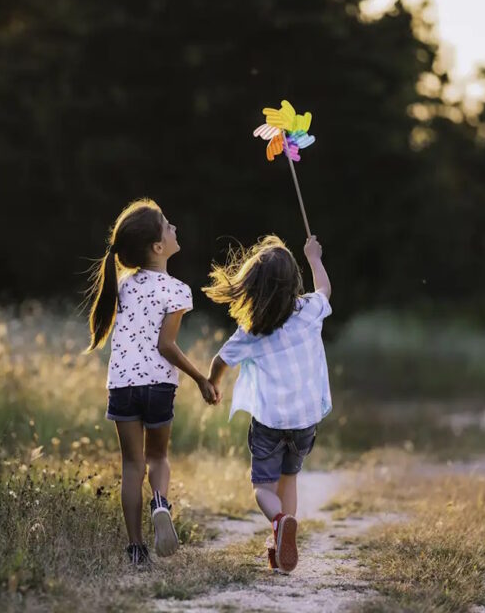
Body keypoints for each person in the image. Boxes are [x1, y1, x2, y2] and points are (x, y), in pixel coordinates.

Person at [86, 198, 217, 565]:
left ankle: (135, 548)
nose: (175, 229)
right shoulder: (177, 290)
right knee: (158, 456)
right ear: (159, 247)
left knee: (132, 465)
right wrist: (200, 378)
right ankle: (161, 501)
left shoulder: (122, 285)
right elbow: (166, 345)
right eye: (169, 226)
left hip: (123, 385)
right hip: (159, 385)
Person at [203, 234, 332, 573]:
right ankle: (282, 538)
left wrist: (212, 385)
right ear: (293, 283)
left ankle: (278, 522)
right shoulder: (310, 311)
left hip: (269, 423)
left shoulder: (252, 329)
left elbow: (220, 360)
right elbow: (325, 291)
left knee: (262, 487)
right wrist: (314, 258)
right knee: (288, 480)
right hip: (305, 420)